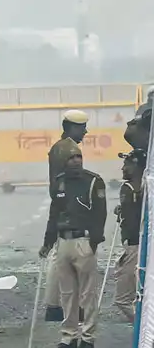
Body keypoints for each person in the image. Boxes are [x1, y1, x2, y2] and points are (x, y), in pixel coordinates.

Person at [39, 148, 106, 348]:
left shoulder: (94, 181)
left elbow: (100, 214)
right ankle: (69, 336)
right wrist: (48, 243)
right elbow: (54, 214)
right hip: (63, 242)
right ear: (63, 161)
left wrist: (94, 241)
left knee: (88, 294)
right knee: (67, 293)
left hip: (83, 241)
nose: (76, 161)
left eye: (79, 157)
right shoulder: (59, 182)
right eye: (71, 158)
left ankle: (87, 337)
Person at [43, 109, 90, 321]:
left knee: (58, 254)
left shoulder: (58, 146)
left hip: (61, 201)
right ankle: (57, 305)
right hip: (68, 203)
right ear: (72, 127)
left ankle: (54, 305)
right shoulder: (70, 149)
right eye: (82, 127)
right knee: (65, 256)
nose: (85, 131)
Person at [113, 147, 144, 322]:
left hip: (133, 246)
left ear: (138, 166)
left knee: (123, 299)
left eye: (127, 164)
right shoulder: (145, 188)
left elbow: (133, 222)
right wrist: (124, 210)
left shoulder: (129, 188)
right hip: (141, 245)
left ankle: (145, 332)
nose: (123, 168)